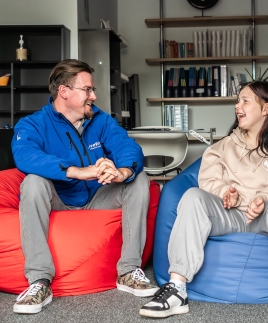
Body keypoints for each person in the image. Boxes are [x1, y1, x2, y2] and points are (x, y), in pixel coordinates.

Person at [139, 80, 268, 322]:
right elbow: (207, 178)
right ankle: (177, 289)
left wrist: (262, 198)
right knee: (192, 197)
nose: (237, 106)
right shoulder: (223, 146)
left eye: (245, 101)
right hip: (228, 214)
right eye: (237, 100)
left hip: (267, 217)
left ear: (266, 109)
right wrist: (225, 192)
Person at [11, 59, 158, 314]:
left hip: (97, 197)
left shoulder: (99, 120)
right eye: (87, 90)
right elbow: (24, 155)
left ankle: (128, 271)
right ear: (64, 92)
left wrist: (122, 171)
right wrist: (77, 172)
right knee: (32, 182)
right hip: (58, 198)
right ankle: (39, 281)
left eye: (93, 89)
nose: (94, 95)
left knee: (139, 178)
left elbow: (126, 146)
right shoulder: (33, 124)